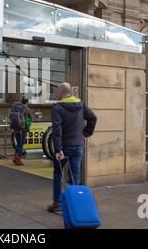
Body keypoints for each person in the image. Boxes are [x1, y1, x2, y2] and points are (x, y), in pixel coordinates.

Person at [48, 82, 97, 213]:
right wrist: (85, 134)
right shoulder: (81, 105)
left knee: (58, 174)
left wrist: (58, 149)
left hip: (63, 147)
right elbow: (93, 118)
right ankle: (74, 203)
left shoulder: (58, 108)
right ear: (70, 92)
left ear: (60, 93)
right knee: (74, 176)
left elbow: (57, 130)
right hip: (77, 146)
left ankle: (57, 204)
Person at [10, 96, 29, 166]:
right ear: (26, 102)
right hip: (22, 127)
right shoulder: (24, 107)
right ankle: (18, 158)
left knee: (18, 142)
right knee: (21, 143)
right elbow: (26, 118)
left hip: (15, 126)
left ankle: (16, 157)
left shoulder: (14, 105)